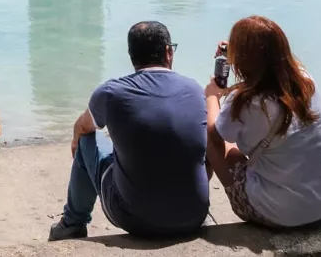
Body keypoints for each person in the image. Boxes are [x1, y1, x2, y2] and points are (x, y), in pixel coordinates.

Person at [48, 22, 208, 241]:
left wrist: (77, 141)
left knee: (88, 139)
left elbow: (83, 127)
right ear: (168, 52)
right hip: (194, 215)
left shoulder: (111, 93)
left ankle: (72, 223)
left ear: (131, 55)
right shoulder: (195, 90)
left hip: (134, 218)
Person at [205, 17, 321, 229]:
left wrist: (212, 96)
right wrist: (237, 51)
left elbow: (214, 135)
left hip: (279, 214)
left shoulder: (245, 100)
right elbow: (272, 59)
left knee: (212, 140)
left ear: (243, 59)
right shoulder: (305, 82)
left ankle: (198, 208)